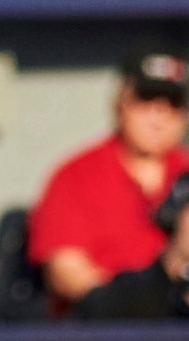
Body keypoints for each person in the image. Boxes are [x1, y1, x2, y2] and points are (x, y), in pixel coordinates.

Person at [27, 45, 189, 317]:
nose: (158, 117)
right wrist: (159, 280)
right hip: (104, 327)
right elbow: (67, 276)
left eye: (172, 104)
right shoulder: (76, 175)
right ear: (121, 102)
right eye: (146, 100)